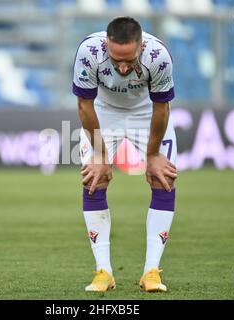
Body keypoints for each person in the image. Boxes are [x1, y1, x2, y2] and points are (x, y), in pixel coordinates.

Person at [73, 16, 178, 292]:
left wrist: (153, 155)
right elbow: (84, 105)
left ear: (141, 47)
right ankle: (103, 272)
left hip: (147, 113)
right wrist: (101, 156)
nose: (122, 66)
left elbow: (162, 108)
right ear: (106, 44)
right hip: (103, 112)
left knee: (163, 178)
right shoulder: (89, 52)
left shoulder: (159, 57)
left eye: (129, 60)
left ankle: (151, 272)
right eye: (116, 58)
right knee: (94, 179)